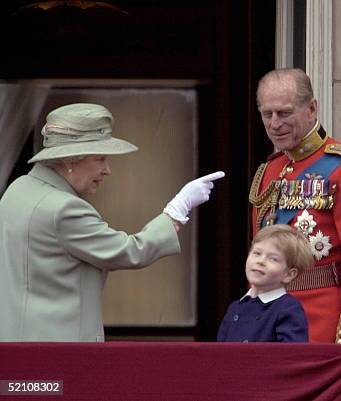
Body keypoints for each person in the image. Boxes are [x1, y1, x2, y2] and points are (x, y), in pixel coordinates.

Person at [0, 103, 224, 342]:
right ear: (70, 160)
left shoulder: (18, 189)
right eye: (100, 158)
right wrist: (177, 210)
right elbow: (130, 251)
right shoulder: (64, 209)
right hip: (58, 352)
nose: (107, 170)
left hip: (15, 344)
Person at [249, 68, 341, 343]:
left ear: (312, 108)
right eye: (268, 114)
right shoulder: (269, 171)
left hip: (319, 325)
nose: (275, 124)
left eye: (285, 113)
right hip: (266, 324)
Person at [217, 224, 310, 342]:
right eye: (257, 253)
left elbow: (292, 356)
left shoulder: (288, 308)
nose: (261, 261)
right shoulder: (235, 307)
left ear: (289, 274)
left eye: (273, 259)